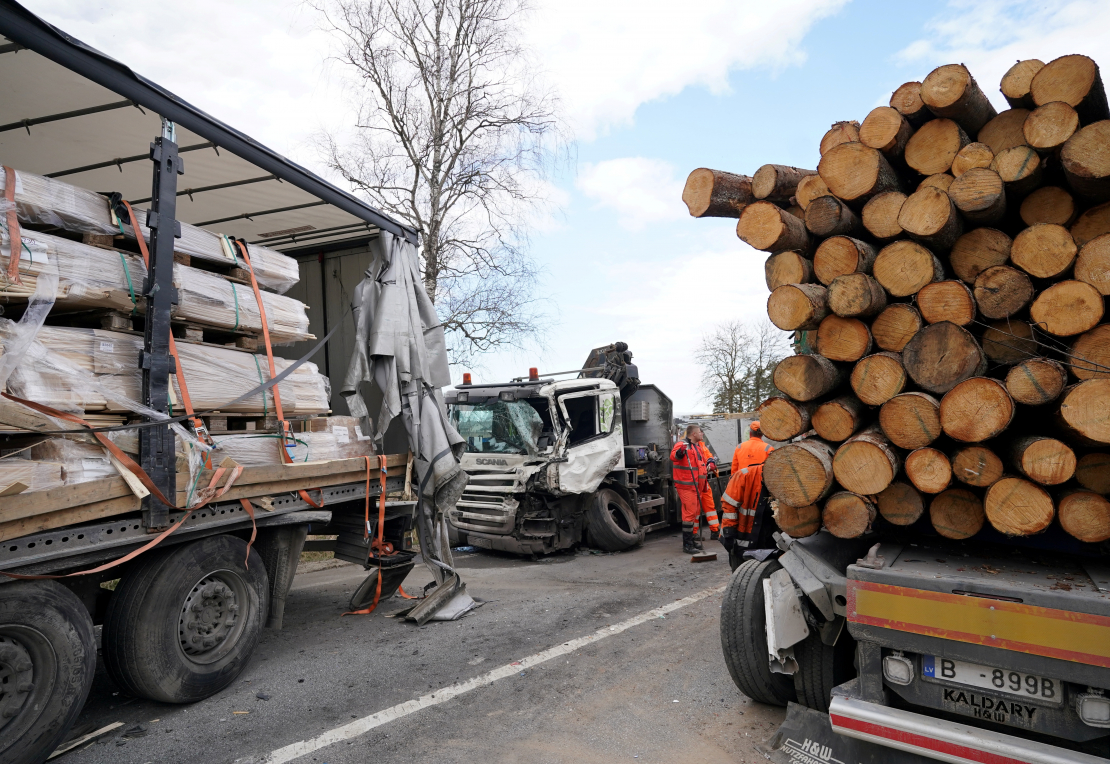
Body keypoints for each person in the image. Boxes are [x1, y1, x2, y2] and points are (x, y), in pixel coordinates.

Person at [721, 421, 774, 556]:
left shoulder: (739, 447)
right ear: (762, 434)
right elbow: (771, 473)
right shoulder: (769, 448)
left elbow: (734, 471)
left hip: (740, 487)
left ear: (750, 432)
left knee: (742, 518)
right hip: (761, 489)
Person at [670, 424, 710, 554]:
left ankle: (692, 540)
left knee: (694, 513)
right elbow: (674, 457)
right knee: (689, 514)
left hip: (696, 486)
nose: (702, 434)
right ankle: (687, 544)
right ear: (694, 434)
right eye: (700, 432)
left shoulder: (696, 447)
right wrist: (681, 451)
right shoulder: (682, 445)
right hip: (687, 486)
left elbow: (700, 464)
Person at [694, 439, 720, 539]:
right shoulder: (690, 447)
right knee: (695, 509)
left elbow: (708, 456)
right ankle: (693, 533)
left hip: (703, 481)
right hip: (695, 482)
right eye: (699, 432)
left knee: (710, 506)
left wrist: (711, 462)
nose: (701, 433)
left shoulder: (701, 444)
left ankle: (715, 531)